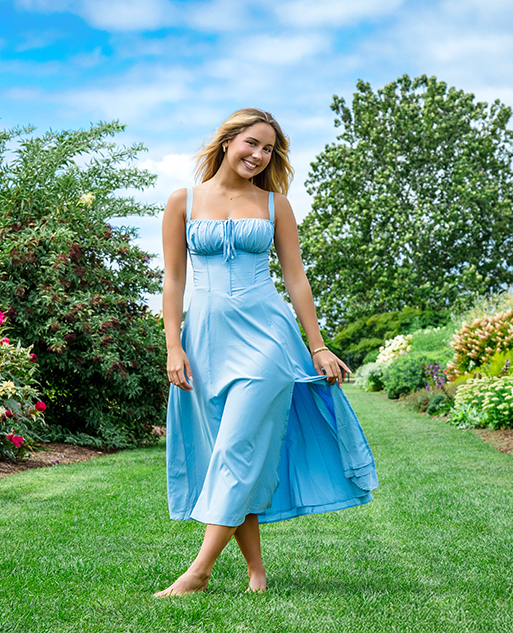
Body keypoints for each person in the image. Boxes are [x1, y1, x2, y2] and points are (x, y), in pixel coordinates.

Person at [155, 108, 378, 597]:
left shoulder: (276, 205)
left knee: (237, 447)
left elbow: (296, 280)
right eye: (251, 143)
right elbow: (173, 282)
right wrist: (174, 345)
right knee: (236, 454)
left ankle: (198, 573)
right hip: (205, 342)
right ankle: (257, 572)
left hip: (267, 339)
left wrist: (317, 345)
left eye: (269, 149)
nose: (259, 155)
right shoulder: (182, 202)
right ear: (228, 140)